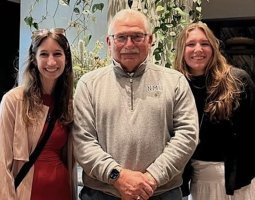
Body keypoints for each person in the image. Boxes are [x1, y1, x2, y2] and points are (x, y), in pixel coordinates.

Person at [72, 9, 199, 200]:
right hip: (102, 194)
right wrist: (117, 177)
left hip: (162, 193)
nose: (129, 44)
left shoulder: (175, 82)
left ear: (150, 40)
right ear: (109, 42)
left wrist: (152, 178)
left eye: (137, 37)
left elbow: (187, 135)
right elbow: (83, 141)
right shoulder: (89, 84)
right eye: (121, 37)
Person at [174, 21, 255, 200]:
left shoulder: (238, 80)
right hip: (201, 186)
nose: (198, 49)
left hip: (246, 183)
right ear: (181, 51)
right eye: (190, 44)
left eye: (204, 43)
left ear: (214, 48)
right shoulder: (175, 87)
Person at [0, 28, 77, 200]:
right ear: (34, 59)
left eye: (57, 54)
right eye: (44, 54)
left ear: (66, 60)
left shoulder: (69, 104)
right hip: (26, 192)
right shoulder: (13, 101)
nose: (51, 62)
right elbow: (2, 160)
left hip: (61, 190)